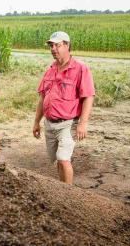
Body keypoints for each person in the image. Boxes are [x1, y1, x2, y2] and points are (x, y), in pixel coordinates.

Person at [33, 31, 95, 184]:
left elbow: (88, 96)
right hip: (49, 124)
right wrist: (36, 122)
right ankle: (63, 190)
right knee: (57, 160)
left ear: (67, 46)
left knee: (63, 158)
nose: (53, 49)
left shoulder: (80, 69)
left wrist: (83, 123)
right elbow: (42, 98)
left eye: (57, 45)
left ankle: (69, 195)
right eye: (51, 46)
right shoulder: (50, 70)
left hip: (68, 123)